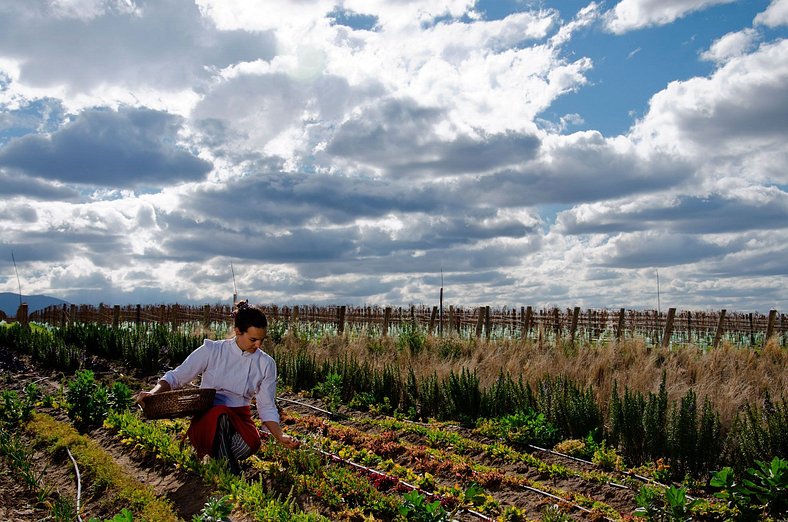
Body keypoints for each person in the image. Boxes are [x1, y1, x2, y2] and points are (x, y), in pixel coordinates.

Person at [135, 300, 299, 474]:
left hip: (239, 417)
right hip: (207, 417)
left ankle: (217, 463)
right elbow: (176, 376)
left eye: (261, 340)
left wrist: (279, 435)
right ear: (237, 331)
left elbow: (266, 405)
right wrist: (153, 393)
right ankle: (229, 474)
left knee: (251, 445)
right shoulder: (213, 350)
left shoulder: (266, 363)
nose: (258, 345)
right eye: (253, 339)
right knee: (220, 413)